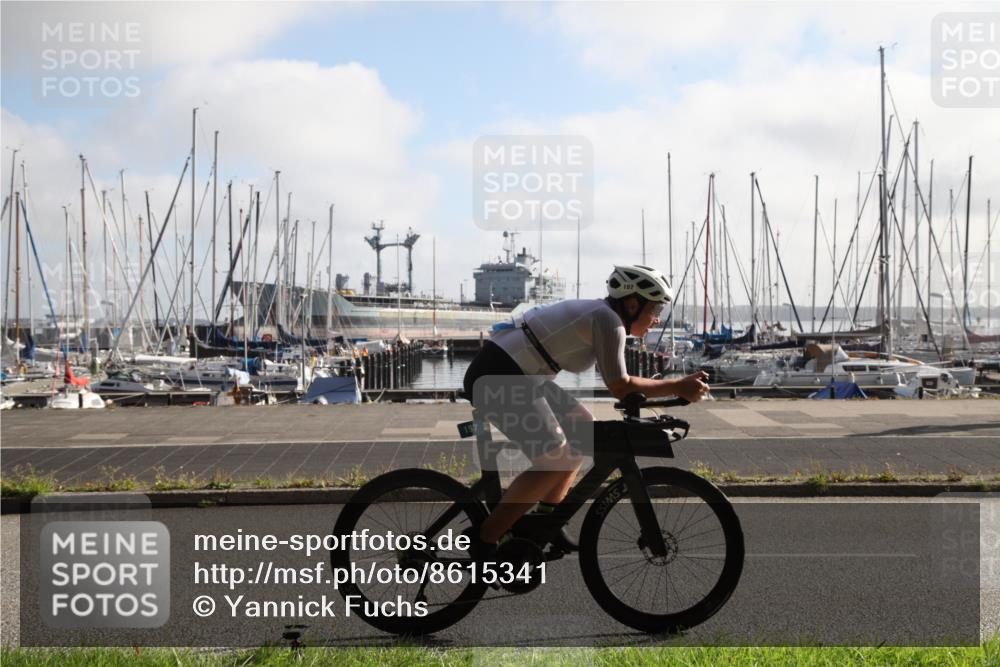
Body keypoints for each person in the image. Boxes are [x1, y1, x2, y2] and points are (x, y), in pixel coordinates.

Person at [462, 264, 711, 557]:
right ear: (633, 303)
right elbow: (620, 385)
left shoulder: (605, 316)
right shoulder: (608, 321)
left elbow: (621, 383)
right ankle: (487, 539)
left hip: (522, 374)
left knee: (583, 430)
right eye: (655, 309)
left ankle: (546, 523)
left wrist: (671, 388)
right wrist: (677, 386)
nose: (657, 319)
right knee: (555, 459)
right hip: (500, 374)